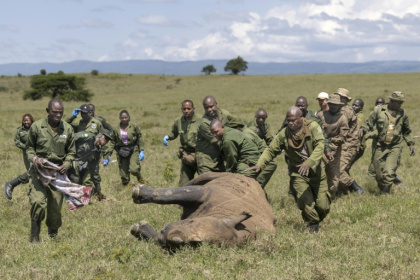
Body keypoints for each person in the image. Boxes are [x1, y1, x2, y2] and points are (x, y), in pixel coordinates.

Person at [246, 106, 330, 233]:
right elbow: (271, 150)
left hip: (316, 171)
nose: (290, 123)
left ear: (301, 118)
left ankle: (316, 218)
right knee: (306, 202)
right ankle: (313, 225)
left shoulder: (312, 127)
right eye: (288, 120)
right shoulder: (284, 133)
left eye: (293, 120)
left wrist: (309, 163)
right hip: (298, 173)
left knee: (323, 206)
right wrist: (260, 164)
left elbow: (320, 145)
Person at [26, 98, 75, 242]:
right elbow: (29, 148)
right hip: (39, 171)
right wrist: (35, 159)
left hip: (57, 173)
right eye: (55, 112)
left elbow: (71, 152)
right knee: (38, 202)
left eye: (60, 112)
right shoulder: (36, 127)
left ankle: (53, 237)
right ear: (48, 111)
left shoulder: (67, 129)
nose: (58, 115)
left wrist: (66, 164)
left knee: (55, 210)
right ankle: (34, 237)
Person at [359, 91, 415, 194]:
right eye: (398, 103)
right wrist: (363, 129)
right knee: (379, 173)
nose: (400, 105)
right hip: (380, 146)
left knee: (389, 172)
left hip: (395, 146)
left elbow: (407, 131)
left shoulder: (402, 113)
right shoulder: (379, 111)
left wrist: (410, 144)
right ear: (392, 101)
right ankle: (383, 188)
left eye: (401, 103)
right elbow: (368, 123)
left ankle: (385, 193)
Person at [317, 94, 364, 197]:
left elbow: (342, 137)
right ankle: (317, 196)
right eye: (331, 104)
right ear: (328, 104)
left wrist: (331, 140)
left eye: (336, 105)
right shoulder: (320, 115)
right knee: (318, 173)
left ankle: (332, 197)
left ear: (339, 105)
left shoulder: (342, 118)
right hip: (321, 149)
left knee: (335, 178)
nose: (333, 107)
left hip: (336, 149)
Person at [66, 104, 108, 200]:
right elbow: (65, 126)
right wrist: (71, 117)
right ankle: (79, 197)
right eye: (82, 113)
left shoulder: (97, 123)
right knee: (77, 178)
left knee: (88, 179)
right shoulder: (77, 123)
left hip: (92, 155)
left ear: (90, 113)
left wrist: (106, 155)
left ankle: (87, 199)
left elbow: (104, 138)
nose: (83, 115)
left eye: (85, 113)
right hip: (79, 155)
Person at [195, 96, 241, 174]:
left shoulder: (224, 114)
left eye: (211, 106)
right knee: (206, 184)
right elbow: (218, 142)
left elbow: (239, 125)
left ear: (216, 104)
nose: (209, 109)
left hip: (219, 159)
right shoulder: (204, 123)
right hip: (206, 161)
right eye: (206, 108)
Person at [228, 119, 277, 189]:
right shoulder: (244, 131)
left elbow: (251, 153)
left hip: (267, 162)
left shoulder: (246, 135)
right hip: (261, 159)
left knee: (255, 186)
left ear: (238, 128)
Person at [332, 88, 364, 195]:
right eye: (337, 96)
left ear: (345, 99)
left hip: (348, 145)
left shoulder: (345, 111)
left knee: (339, 171)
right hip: (343, 144)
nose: (338, 99)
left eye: (341, 97)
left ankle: (357, 189)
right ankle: (343, 192)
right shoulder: (339, 110)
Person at [162, 100, 201, 186]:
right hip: (186, 155)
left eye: (188, 109)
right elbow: (174, 132)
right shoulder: (178, 121)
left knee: (204, 181)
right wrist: (168, 137)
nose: (186, 111)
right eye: (184, 109)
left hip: (200, 154)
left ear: (193, 109)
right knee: (184, 184)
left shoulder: (201, 120)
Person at [104, 110, 145, 186]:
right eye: (122, 118)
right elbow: (112, 142)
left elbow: (140, 138)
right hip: (121, 151)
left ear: (129, 118)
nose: (124, 119)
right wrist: (108, 155)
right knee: (123, 175)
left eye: (126, 117)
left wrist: (141, 150)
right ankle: (126, 189)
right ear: (119, 118)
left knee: (134, 169)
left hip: (133, 149)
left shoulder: (134, 126)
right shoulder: (116, 129)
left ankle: (140, 178)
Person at [4, 114, 34, 200]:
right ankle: (12, 184)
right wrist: (25, 147)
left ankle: (12, 184)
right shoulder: (20, 131)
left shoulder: (35, 129)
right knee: (32, 172)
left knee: (34, 173)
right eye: (24, 120)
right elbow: (17, 141)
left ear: (31, 121)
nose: (26, 122)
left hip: (37, 153)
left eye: (28, 120)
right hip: (27, 154)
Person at [350, 98, 366, 166]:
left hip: (358, 147)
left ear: (361, 108)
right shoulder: (353, 114)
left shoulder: (360, 116)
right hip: (354, 145)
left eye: (356, 105)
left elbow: (357, 128)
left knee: (345, 167)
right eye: (353, 105)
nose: (353, 107)